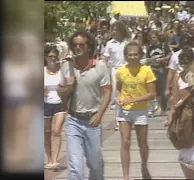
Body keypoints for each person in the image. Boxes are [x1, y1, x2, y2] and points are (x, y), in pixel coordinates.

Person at [57, 30, 112, 180]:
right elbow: (60, 92)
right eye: (74, 45)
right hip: (73, 120)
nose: (78, 47)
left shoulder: (100, 66)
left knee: (95, 165)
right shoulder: (66, 67)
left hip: (92, 121)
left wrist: (100, 114)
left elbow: (107, 92)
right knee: (75, 166)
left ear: (89, 47)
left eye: (81, 44)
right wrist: (68, 87)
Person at [115, 41, 156, 180]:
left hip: (141, 110)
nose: (133, 57)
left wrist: (132, 100)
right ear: (126, 56)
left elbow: (152, 94)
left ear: (140, 55)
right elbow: (118, 87)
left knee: (142, 142)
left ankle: (144, 166)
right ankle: (125, 175)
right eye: (130, 54)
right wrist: (118, 97)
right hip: (125, 111)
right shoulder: (121, 71)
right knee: (125, 141)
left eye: (135, 54)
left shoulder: (146, 70)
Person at [165, 35, 194, 123]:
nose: (183, 65)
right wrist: (171, 112)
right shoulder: (175, 58)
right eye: (181, 63)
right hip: (180, 107)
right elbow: (174, 95)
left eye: (186, 62)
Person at [102, 21, 129, 130]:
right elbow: (105, 58)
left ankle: (128, 117)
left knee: (128, 93)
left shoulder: (128, 42)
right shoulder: (109, 43)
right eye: (112, 29)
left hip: (127, 69)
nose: (114, 31)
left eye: (116, 29)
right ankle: (119, 120)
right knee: (116, 95)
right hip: (115, 70)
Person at [44, 45, 66, 170]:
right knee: (46, 133)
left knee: (56, 131)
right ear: (45, 57)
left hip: (60, 103)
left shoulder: (62, 70)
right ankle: (49, 159)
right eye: (50, 56)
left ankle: (56, 159)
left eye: (54, 56)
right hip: (45, 103)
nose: (52, 58)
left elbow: (68, 86)